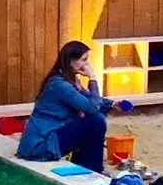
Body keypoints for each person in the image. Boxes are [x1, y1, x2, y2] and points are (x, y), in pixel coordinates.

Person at [17, 41, 116, 173]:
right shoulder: (59, 85)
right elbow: (92, 106)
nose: (87, 65)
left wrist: (112, 104)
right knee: (96, 120)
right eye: (84, 60)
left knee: (95, 117)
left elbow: (88, 99)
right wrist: (93, 77)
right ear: (70, 61)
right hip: (40, 146)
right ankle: (93, 169)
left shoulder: (69, 79)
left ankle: (85, 165)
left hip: (50, 136)